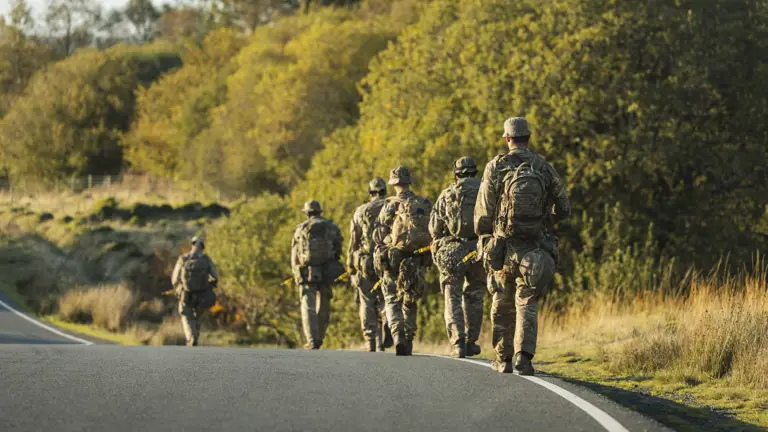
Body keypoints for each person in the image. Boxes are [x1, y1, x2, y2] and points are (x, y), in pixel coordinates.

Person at [475, 117, 571, 375]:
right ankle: (524, 357)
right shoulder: (542, 167)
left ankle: (503, 358)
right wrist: (546, 217)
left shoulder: (496, 166)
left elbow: (483, 213)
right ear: (528, 137)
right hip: (535, 248)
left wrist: (486, 240)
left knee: (501, 301)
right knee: (526, 300)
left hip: (503, 247)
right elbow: (564, 207)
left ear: (507, 139)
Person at [373, 165, 433, 356]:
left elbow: (379, 234)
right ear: (409, 182)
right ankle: (408, 339)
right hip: (416, 258)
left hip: (394, 258)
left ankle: (397, 336)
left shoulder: (390, 204)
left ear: (393, 183)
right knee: (411, 299)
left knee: (391, 298)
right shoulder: (423, 203)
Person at [429, 157, 486, 358]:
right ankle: (472, 341)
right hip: (479, 249)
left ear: (456, 173)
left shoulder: (447, 194)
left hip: (453, 251)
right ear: (474, 171)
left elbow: (435, 229)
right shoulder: (485, 190)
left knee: (451, 295)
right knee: (475, 295)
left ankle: (457, 343)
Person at [291, 200, 343, 350]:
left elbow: (294, 253)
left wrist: (296, 271)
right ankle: (320, 337)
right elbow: (338, 248)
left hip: (307, 270)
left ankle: (311, 340)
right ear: (320, 212)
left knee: (308, 305)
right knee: (325, 303)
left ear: (306, 213)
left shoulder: (301, 229)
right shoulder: (331, 226)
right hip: (327, 269)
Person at [347, 178, 390, 352]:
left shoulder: (360, 211)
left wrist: (351, 267)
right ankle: (388, 322)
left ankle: (371, 339)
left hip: (366, 261)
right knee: (387, 296)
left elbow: (353, 242)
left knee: (366, 300)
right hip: (387, 258)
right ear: (385, 191)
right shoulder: (393, 206)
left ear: (370, 193)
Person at [171, 236, 219, 347]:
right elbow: (216, 276)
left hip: (186, 294)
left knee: (186, 315)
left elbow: (174, 279)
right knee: (198, 316)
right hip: (202, 295)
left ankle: (191, 337)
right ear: (203, 247)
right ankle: (195, 335)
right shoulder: (206, 259)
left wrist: (178, 287)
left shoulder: (183, 258)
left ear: (192, 245)